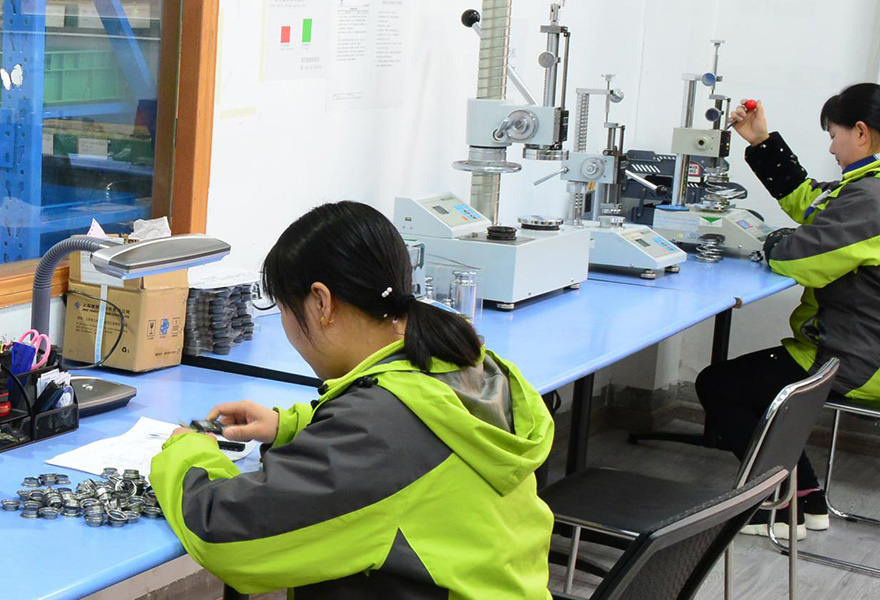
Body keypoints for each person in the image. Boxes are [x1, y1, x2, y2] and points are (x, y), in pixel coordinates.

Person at [150, 201, 555, 599]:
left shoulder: (379, 430)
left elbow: (226, 536)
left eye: (285, 309)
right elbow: (409, 434)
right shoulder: (467, 363)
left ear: (322, 302)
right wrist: (294, 426)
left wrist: (188, 452)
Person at [697, 83, 880, 541]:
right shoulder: (864, 188)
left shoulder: (871, 199)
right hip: (865, 345)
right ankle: (806, 499)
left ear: (861, 132)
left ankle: (785, 505)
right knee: (751, 381)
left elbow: (800, 258)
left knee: (720, 385)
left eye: (834, 136)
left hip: (858, 359)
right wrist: (761, 141)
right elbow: (815, 205)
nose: (832, 148)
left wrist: (772, 240)